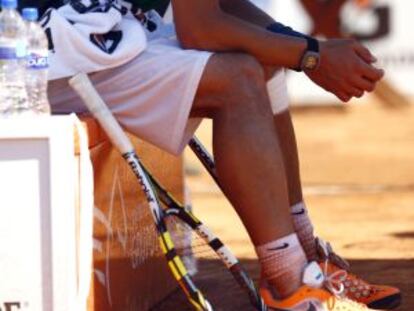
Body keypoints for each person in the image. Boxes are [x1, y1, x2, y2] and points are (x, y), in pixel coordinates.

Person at [32, 0, 400, 310]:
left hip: (92, 33)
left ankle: (305, 257)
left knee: (264, 55)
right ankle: (291, 285)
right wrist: (311, 56)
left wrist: (302, 48)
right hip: (42, 53)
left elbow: (223, 5)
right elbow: (201, 27)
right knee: (236, 78)